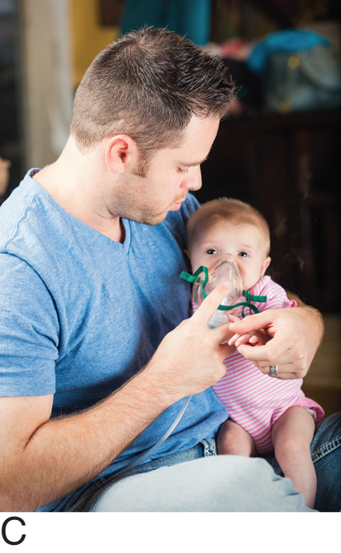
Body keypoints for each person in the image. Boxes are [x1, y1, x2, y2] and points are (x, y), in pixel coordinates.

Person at [0, 27, 340, 513]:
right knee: (241, 495)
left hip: (239, 443)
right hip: (124, 487)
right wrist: (163, 381)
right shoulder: (18, 269)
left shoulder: (167, 207)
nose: (196, 181)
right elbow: (8, 486)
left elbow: (264, 288)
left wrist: (304, 325)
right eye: (184, 165)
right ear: (122, 153)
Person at [183, 197, 324, 508]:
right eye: (211, 252)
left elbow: (286, 319)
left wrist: (266, 329)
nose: (226, 264)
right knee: (231, 452)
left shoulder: (264, 292)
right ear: (189, 259)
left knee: (292, 448)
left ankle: (307, 512)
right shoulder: (192, 306)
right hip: (236, 418)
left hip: (285, 408)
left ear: (263, 266)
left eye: (243, 254)